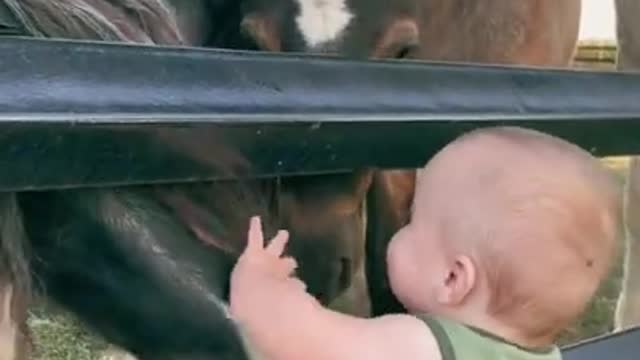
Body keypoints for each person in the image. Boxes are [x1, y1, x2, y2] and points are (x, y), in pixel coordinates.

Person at [229, 126, 621, 360]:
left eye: (413, 219)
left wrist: (261, 281)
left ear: (453, 278)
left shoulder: (420, 348)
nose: (400, 227)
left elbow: (294, 338)